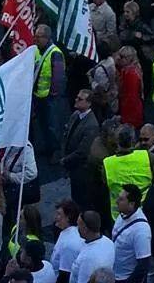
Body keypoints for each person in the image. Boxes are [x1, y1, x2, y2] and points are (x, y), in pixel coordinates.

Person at [102, 125, 153, 222]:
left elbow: (104, 182)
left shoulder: (107, 163)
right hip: (144, 211)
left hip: (119, 216)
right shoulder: (145, 156)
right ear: (133, 140)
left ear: (117, 142)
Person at [62, 89, 100, 209]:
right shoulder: (75, 115)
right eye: (77, 97)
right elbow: (67, 134)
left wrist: (65, 160)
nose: (76, 100)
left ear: (89, 103)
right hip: (72, 165)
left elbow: (82, 152)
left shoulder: (91, 125)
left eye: (80, 99)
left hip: (81, 170)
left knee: (81, 197)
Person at [33, 24, 66, 158]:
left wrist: (53, 95)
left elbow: (58, 78)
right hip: (38, 95)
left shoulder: (55, 53)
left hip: (49, 97)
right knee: (42, 124)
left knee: (52, 125)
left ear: (47, 38)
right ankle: (47, 147)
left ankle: (55, 152)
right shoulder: (36, 50)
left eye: (39, 37)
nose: (36, 39)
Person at [111, 184, 151, 283]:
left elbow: (144, 264)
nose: (116, 202)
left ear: (131, 204)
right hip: (115, 275)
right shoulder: (122, 215)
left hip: (125, 279)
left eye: (121, 199)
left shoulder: (141, 230)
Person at [70, 210, 116, 283]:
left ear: (85, 229)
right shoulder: (108, 242)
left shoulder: (88, 259)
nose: (76, 228)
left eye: (78, 225)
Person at [52, 199, 84, 283]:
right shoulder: (66, 233)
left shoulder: (68, 244)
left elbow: (65, 275)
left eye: (59, 214)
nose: (55, 217)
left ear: (68, 217)